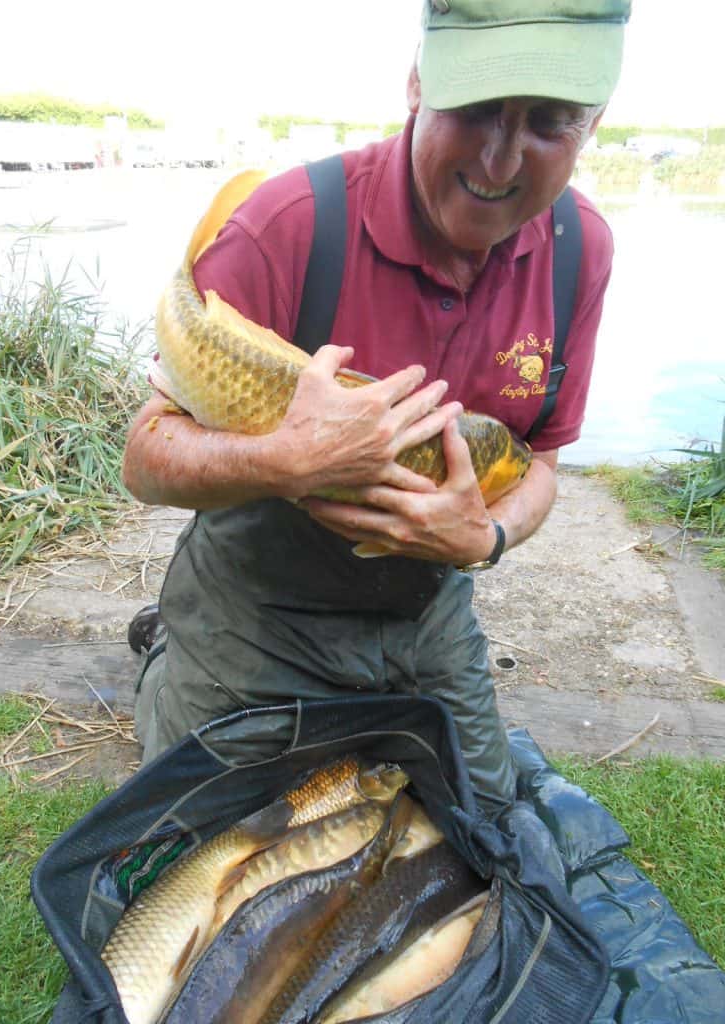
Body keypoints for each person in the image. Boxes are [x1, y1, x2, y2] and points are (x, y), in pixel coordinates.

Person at [122, 0, 631, 815]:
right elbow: (145, 456)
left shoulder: (581, 251)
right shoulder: (290, 223)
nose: (501, 160)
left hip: (424, 604)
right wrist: (283, 460)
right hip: (261, 597)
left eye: (548, 122)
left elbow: (539, 463)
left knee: (479, 816)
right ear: (418, 82)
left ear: (594, 122)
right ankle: (167, 652)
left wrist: (486, 535)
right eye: (477, 110)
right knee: (213, 818)